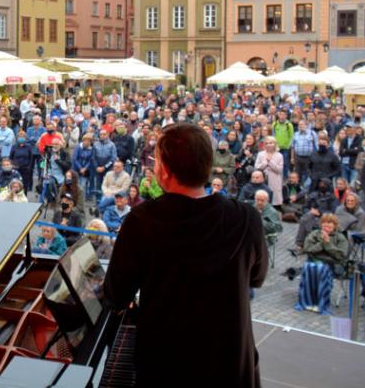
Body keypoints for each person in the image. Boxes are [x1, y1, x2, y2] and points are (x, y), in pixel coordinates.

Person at [103, 122, 267, 388]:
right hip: (231, 364)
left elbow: (116, 293)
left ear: (165, 171)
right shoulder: (246, 218)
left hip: (167, 365)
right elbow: (256, 279)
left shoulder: (141, 221)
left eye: (156, 160)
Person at [255, 137, 284, 207]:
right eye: (267, 143)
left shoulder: (279, 155)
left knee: (274, 196)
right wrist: (265, 162)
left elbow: (279, 169)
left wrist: (270, 162)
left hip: (275, 178)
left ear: (275, 144)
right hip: (263, 178)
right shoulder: (260, 154)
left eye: (271, 143)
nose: (269, 145)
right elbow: (257, 167)